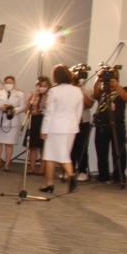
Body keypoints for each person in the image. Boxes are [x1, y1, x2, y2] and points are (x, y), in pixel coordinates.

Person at [39, 65, 84, 193]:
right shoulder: (77, 91)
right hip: (71, 127)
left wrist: (44, 129)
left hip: (55, 127)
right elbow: (79, 111)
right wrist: (74, 124)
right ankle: (63, 179)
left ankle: (59, 180)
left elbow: (49, 112)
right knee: (64, 154)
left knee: (50, 156)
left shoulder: (54, 91)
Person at [93, 68, 127, 184]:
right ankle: (103, 175)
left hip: (118, 125)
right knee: (101, 151)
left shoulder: (124, 88)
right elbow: (95, 94)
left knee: (119, 151)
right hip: (102, 124)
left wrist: (116, 86)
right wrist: (98, 79)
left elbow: (126, 97)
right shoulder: (102, 89)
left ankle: (119, 176)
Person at [0, 75, 25, 171]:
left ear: (14, 83)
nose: (8, 84)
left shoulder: (20, 93)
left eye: (10, 82)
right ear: (4, 83)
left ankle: (7, 164)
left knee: (9, 144)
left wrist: (12, 109)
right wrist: (0, 107)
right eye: (7, 82)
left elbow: (22, 107)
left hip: (12, 121)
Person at [71, 67, 95, 182]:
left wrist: (80, 90)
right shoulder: (70, 89)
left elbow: (89, 105)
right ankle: (70, 170)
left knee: (81, 147)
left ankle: (82, 171)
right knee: (70, 147)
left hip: (83, 122)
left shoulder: (88, 90)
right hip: (70, 121)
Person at [24, 77, 50, 175]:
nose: (42, 88)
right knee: (33, 146)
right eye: (40, 86)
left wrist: (42, 111)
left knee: (44, 147)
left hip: (45, 121)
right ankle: (32, 168)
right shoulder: (33, 95)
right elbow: (26, 110)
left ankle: (42, 169)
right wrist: (31, 104)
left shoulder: (50, 96)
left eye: (45, 86)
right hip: (34, 121)